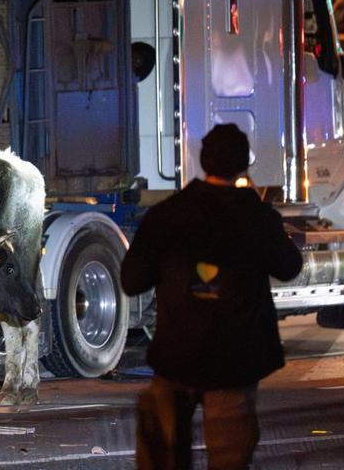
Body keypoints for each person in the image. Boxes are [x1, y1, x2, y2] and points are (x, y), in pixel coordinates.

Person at [120, 124, 302, 469]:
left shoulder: (167, 215)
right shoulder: (259, 218)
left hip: (177, 355)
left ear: (203, 161)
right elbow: (289, 266)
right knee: (230, 456)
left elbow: (132, 280)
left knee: (165, 452)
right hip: (235, 359)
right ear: (242, 166)